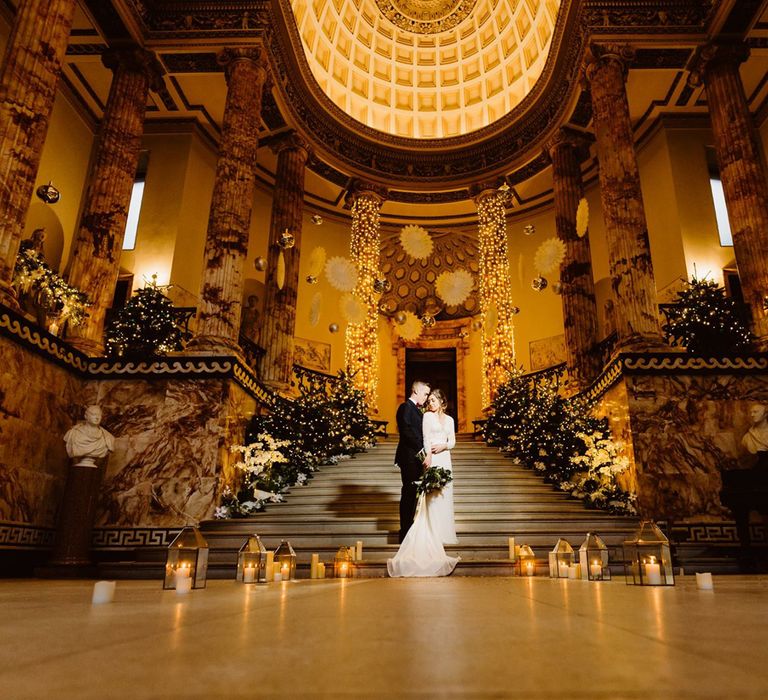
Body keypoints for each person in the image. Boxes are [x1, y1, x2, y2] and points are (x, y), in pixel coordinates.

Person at [388, 388, 459, 577]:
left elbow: (452, 440)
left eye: (435, 400)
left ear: (443, 402)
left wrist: (444, 445)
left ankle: (443, 532)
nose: (431, 403)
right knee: (431, 498)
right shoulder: (427, 417)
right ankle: (431, 534)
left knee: (444, 495)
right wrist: (427, 457)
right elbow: (426, 438)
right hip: (433, 459)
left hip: (445, 458)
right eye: (430, 400)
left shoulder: (450, 420)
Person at [394, 380, 431, 543]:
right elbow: (406, 430)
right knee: (408, 493)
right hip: (409, 457)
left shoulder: (418, 411)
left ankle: (410, 530)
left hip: (416, 458)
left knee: (414, 494)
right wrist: (421, 449)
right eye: (425, 393)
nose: (427, 397)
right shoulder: (405, 407)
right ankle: (405, 533)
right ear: (415, 391)